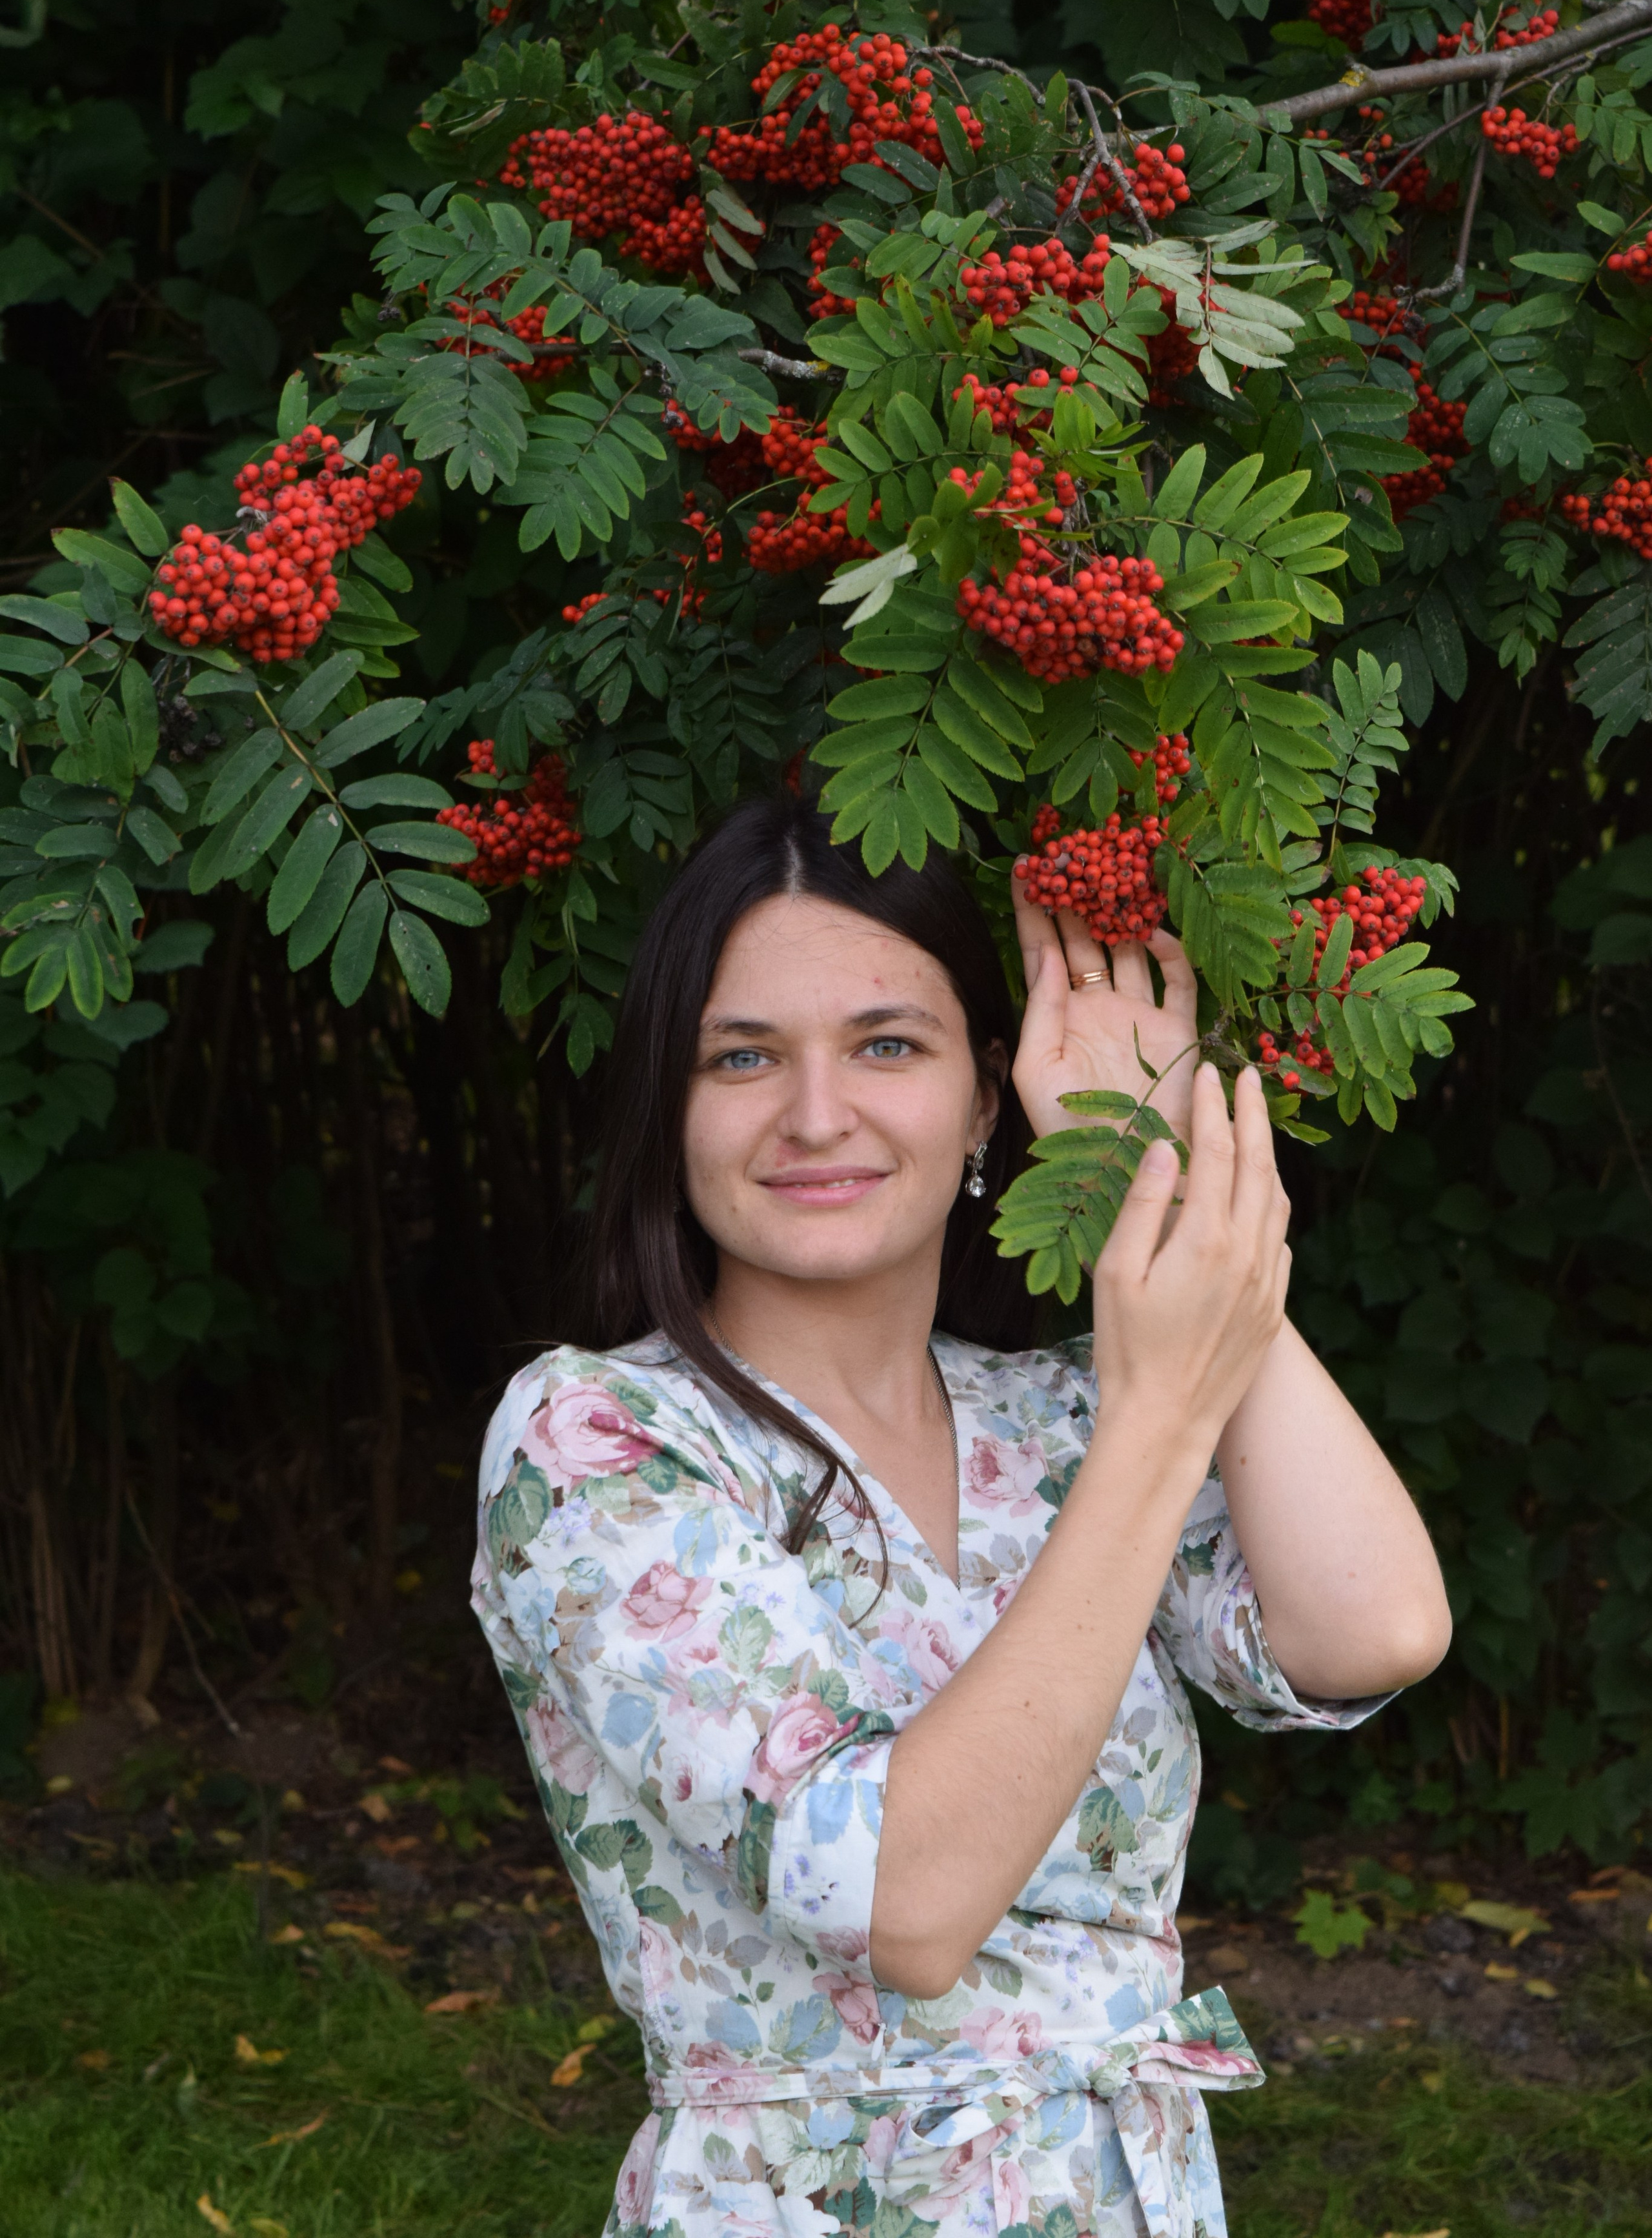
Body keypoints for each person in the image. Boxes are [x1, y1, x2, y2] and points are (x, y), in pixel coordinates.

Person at [472, 795, 1452, 2238]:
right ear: (666, 1109)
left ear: (985, 1096)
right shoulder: (598, 1442)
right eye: (741, 1058)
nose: (816, 1115)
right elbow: (901, 1903)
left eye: (887, 1044)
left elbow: (1369, 1625)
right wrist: (1160, 1415)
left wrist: (1140, 1163)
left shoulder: (1060, 1421)